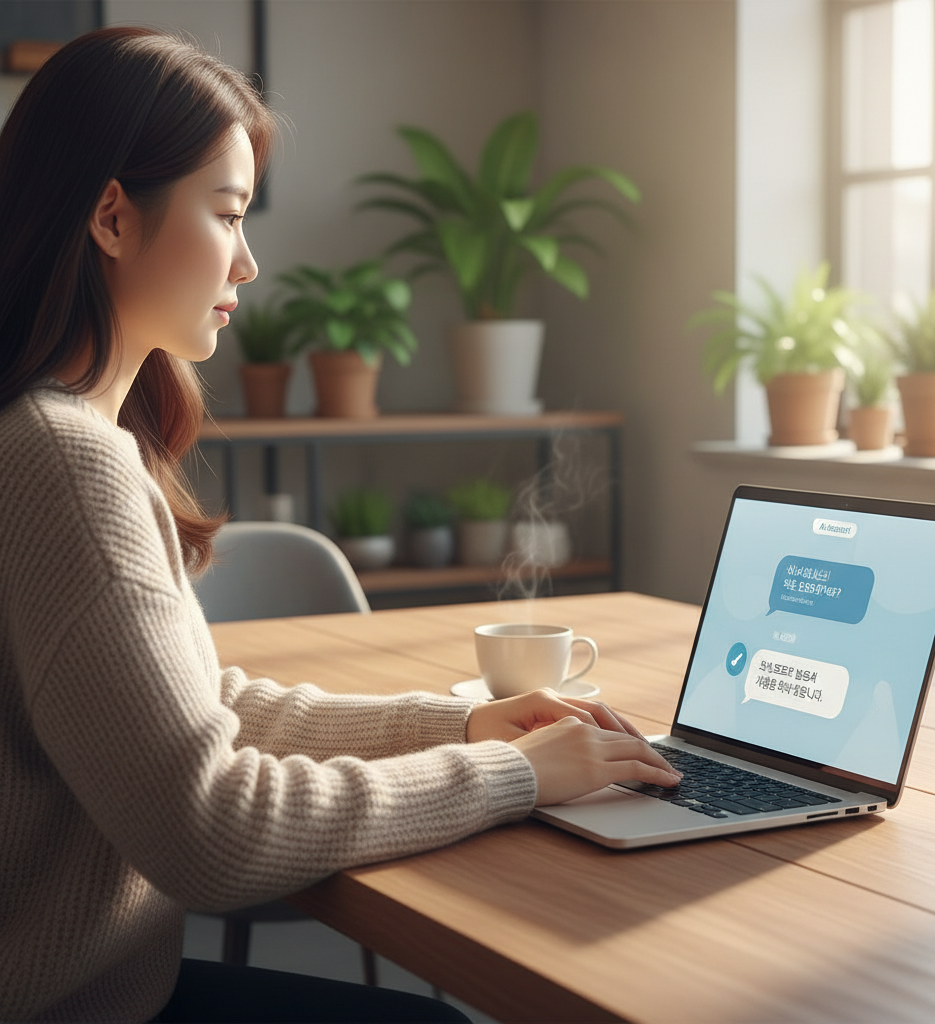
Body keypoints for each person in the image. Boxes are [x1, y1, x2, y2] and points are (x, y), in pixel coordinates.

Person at [0, 26, 680, 1023]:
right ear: (111, 214)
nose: (249, 260)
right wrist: (504, 774)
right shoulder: (63, 459)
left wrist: (459, 722)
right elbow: (211, 828)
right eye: (226, 214)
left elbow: (195, 712)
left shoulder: (58, 436)